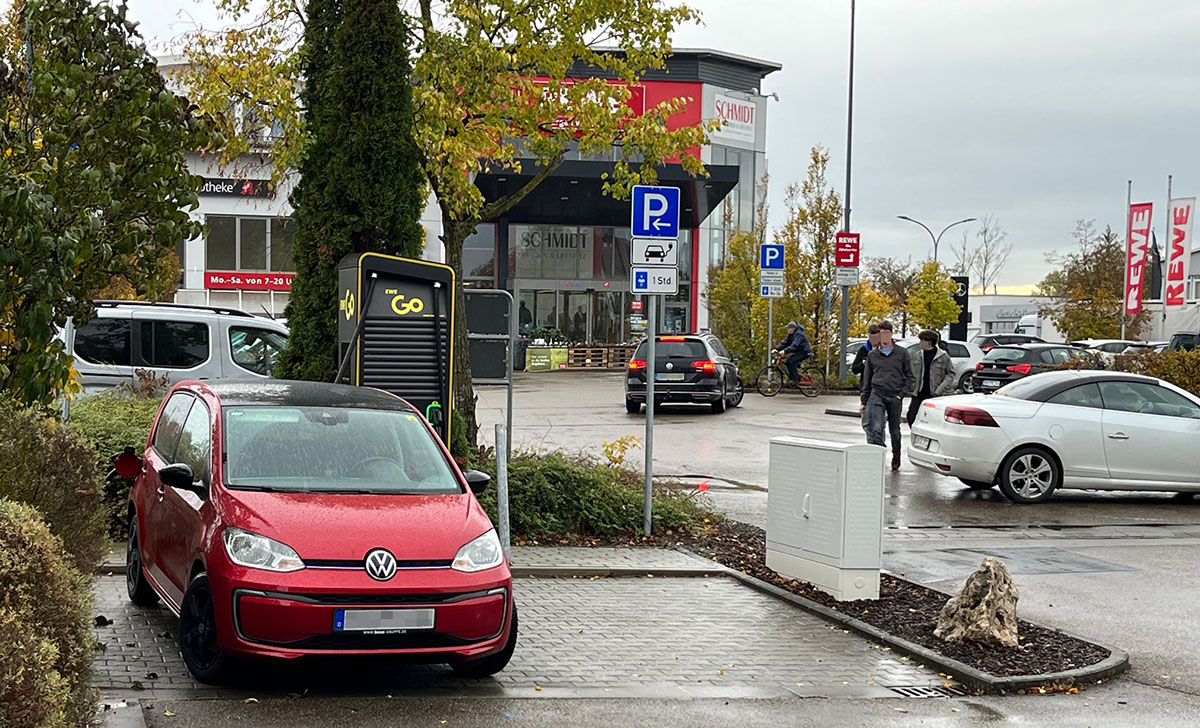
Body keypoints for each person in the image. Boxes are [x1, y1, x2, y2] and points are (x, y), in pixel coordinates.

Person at [860, 322, 914, 471]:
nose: (884, 337)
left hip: (894, 395)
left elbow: (909, 376)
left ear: (890, 334)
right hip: (877, 394)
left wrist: (901, 394)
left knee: (894, 430)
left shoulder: (901, 353)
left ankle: (896, 455)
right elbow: (867, 379)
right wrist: (864, 400)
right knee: (876, 428)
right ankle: (879, 457)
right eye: (881, 334)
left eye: (886, 333)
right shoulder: (872, 355)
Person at [907, 330, 957, 426]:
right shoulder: (917, 355)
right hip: (918, 394)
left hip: (934, 395)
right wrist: (911, 386)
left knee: (932, 421)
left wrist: (940, 389)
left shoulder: (943, 356)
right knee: (911, 418)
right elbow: (911, 372)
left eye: (921, 340)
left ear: (929, 342)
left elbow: (951, 374)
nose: (919, 343)